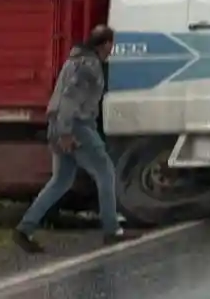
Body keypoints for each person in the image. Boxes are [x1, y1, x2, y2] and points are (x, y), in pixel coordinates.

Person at [13, 24, 136, 252]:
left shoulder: (74, 60)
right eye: (112, 45)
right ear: (106, 44)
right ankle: (111, 230)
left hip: (58, 124)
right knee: (105, 171)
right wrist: (67, 133)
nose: (112, 50)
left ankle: (25, 228)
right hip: (75, 126)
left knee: (61, 181)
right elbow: (70, 98)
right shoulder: (88, 66)